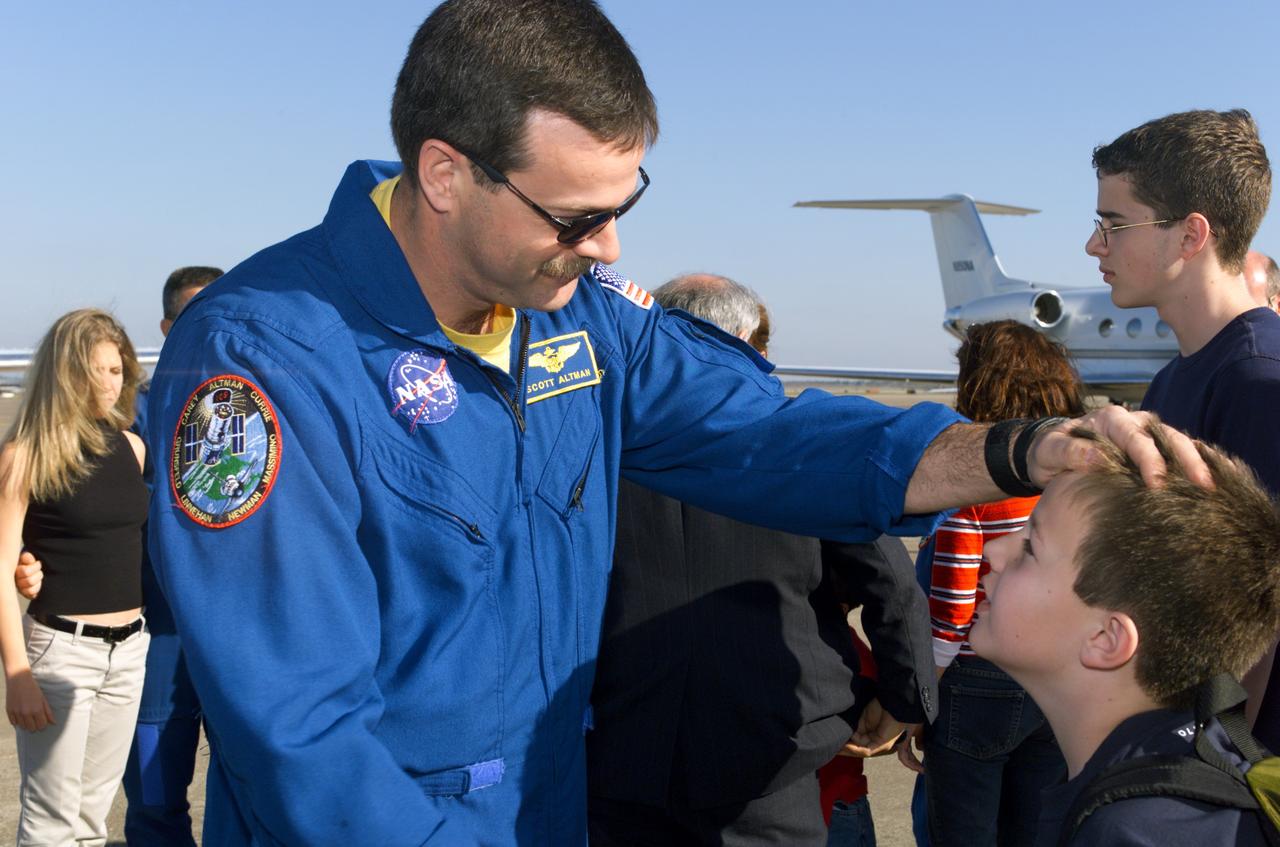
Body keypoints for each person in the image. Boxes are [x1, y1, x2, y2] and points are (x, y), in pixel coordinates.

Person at [142, 1, 1206, 843]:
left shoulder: (575, 326)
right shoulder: (262, 364)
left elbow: (766, 433)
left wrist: (1017, 447)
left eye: (624, 205)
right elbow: (301, 738)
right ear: (444, 174)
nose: (606, 250)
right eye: (575, 217)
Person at [587, 274, 933, 847]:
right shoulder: (800, 447)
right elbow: (891, 583)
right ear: (749, 343)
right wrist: (905, 700)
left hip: (616, 750)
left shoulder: (594, 448)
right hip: (770, 752)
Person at [969, 427, 1280, 845]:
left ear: (1106, 638)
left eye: (1030, 548)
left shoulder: (1129, 833)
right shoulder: (1200, 763)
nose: (994, 551)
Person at [1087, 108, 1280, 750]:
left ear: (1191, 235)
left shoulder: (1259, 382)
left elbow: (1261, 612)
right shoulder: (1177, 379)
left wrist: (1215, 764)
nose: (1095, 246)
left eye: (1113, 225)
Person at [14, 266, 222, 846]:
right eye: (192, 318)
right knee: (150, 803)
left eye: (220, 314)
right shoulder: (135, 418)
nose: (209, 330)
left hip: (237, 640)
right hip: (149, 641)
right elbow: (73, 502)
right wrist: (28, 561)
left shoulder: (274, 405)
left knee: (248, 792)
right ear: (167, 327)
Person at [909, 321, 1082, 846]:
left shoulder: (976, 479)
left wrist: (920, 699)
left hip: (979, 679)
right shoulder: (1084, 478)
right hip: (1059, 679)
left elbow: (955, 606)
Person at [0, 309, 150, 845]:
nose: (110, 384)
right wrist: (16, 672)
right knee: (48, 823)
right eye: (96, 370)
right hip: (60, 653)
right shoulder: (25, 456)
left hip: (130, 653)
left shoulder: (132, 448)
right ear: (66, 373)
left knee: (93, 818)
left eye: (117, 370)